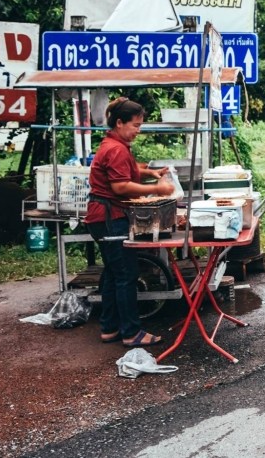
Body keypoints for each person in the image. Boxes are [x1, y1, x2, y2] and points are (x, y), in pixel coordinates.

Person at [85, 97, 174, 348]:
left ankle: (110, 328)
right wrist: (156, 188)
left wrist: (149, 173)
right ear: (120, 122)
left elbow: (127, 169)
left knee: (114, 274)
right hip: (109, 218)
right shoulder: (115, 149)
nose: (138, 130)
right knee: (126, 274)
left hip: (103, 217)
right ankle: (131, 333)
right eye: (135, 125)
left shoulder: (114, 144)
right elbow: (120, 185)